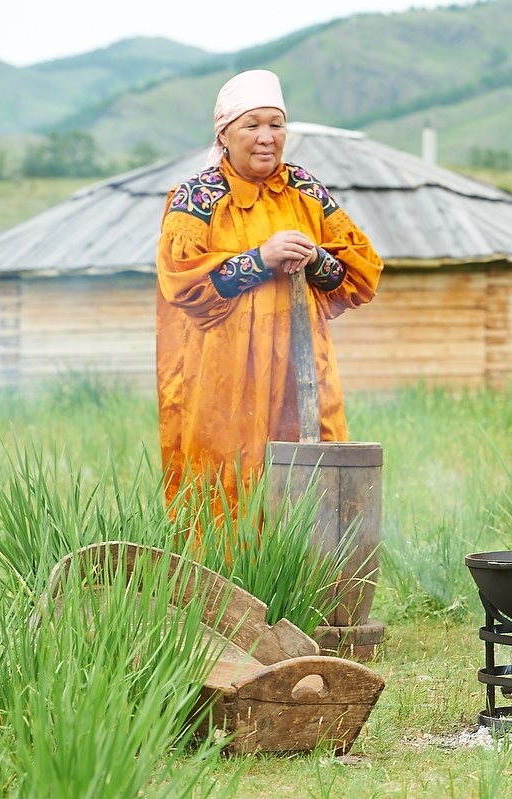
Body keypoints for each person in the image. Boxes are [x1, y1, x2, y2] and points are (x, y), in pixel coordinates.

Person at [155, 69, 383, 518]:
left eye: (276, 124)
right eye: (251, 125)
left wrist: (315, 257)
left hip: (302, 370)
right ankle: (222, 587)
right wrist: (261, 259)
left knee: (309, 482)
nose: (266, 137)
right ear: (224, 134)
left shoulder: (305, 191)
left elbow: (359, 276)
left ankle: (308, 585)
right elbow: (185, 287)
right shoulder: (196, 198)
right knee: (227, 481)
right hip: (223, 376)